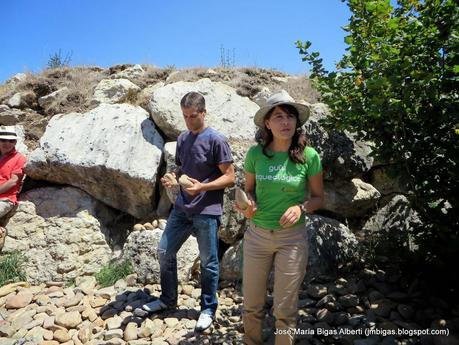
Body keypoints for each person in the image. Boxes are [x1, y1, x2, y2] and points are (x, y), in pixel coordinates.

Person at [235, 92, 324, 345]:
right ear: (267, 123)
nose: (285, 122)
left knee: (285, 310)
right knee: (251, 305)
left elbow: (319, 198)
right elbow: (247, 190)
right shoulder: (255, 155)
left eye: (290, 117)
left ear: (297, 122)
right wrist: (247, 204)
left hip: (292, 239)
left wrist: (301, 208)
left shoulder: (310, 156)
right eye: (279, 117)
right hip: (257, 236)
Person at [142, 92, 235, 332]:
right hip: (182, 208)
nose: (188, 121)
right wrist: (172, 178)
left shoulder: (217, 140)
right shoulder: (183, 139)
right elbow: (180, 169)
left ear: (203, 113)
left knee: (208, 262)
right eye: (184, 116)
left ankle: (207, 309)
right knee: (164, 250)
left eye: (193, 116)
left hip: (207, 210)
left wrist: (203, 186)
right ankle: (168, 299)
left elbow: (230, 176)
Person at [0, 126, 27, 248]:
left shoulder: (19, 158)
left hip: (6, 199)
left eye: (11, 141)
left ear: (15, 142)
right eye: (3, 140)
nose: (7, 143)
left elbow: (13, 182)